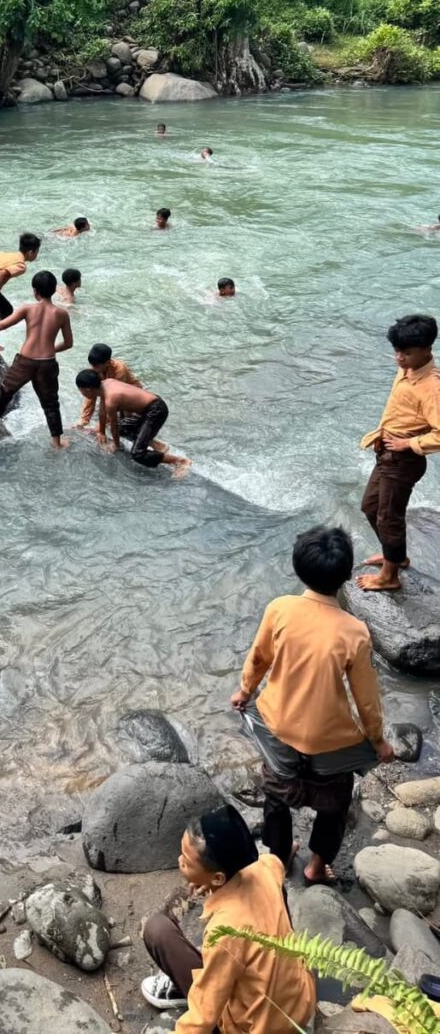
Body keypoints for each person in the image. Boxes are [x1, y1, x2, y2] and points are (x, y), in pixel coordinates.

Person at [231, 526, 393, 886]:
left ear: (298, 567)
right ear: (347, 576)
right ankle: (316, 866)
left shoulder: (280, 609)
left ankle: (278, 854)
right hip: (329, 739)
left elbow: (259, 658)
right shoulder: (354, 631)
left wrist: (245, 691)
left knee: (276, 795)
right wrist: (378, 740)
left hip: (278, 727)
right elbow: (366, 699)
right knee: (334, 805)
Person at [141, 803, 315, 1032]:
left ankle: (180, 991)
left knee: (157, 930)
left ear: (219, 878)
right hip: (300, 1002)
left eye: (186, 859)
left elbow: (203, 1016)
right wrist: (211, 885)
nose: (179, 860)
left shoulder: (226, 931)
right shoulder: (267, 866)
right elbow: (277, 866)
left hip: (255, 1027)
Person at [358, 313, 440, 592]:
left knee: (388, 516)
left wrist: (409, 444)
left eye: (406, 352)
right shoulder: (407, 370)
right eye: (396, 351)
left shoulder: (432, 388)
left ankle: (389, 576)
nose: (399, 358)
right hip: (387, 454)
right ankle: (396, 555)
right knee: (369, 507)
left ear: (427, 350)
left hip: (402, 460)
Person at [0, 271, 72, 448]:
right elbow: (68, 343)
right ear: (53, 291)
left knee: (5, 390)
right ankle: (57, 442)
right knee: (50, 403)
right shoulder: (62, 314)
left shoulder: (28, 308)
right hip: (47, 363)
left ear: (35, 291)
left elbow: (1, 324)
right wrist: (51, 349)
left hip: (26, 360)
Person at [75, 370, 190, 477]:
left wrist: (116, 445)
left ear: (88, 389)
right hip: (150, 408)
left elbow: (113, 426)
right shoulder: (106, 383)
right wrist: (101, 432)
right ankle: (159, 446)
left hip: (155, 411)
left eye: (81, 390)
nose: (81, 393)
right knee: (122, 428)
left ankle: (179, 461)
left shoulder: (111, 399)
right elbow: (102, 412)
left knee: (137, 454)